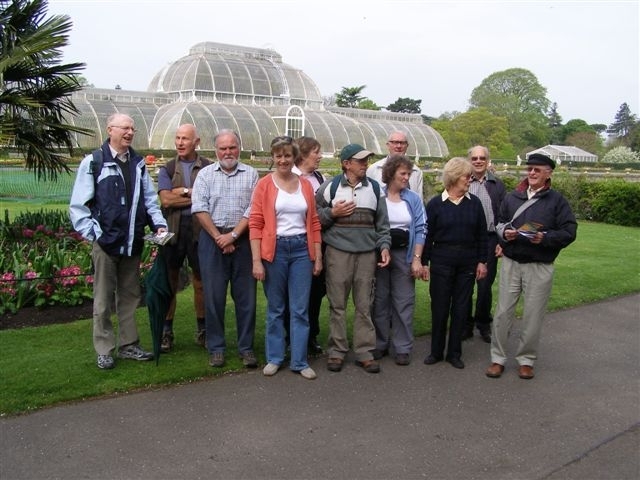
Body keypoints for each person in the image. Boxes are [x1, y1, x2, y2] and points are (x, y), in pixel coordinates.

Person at [70, 113, 167, 370]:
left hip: (132, 242)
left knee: (130, 297)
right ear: (110, 129)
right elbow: (79, 206)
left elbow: (149, 200)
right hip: (106, 244)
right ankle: (104, 349)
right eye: (124, 128)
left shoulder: (138, 163)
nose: (129, 132)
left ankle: (129, 345)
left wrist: (159, 223)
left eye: (132, 128)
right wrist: (95, 235)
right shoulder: (94, 162)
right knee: (102, 300)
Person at [485, 153, 577, 380]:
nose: (532, 173)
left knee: (533, 315)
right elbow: (499, 223)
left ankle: (526, 360)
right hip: (512, 261)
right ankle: (498, 358)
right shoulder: (513, 196)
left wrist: (544, 238)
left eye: (538, 169)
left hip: (539, 265)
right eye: (530, 169)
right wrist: (504, 233)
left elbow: (569, 231)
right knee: (502, 312)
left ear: (549, 173)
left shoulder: (557, 201)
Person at [249, 136, 323, 380]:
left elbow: (313, 221)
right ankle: (275, 357)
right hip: (275, 251)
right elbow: (256, 223)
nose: (283, 160)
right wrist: (257, 260)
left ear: (294, 158)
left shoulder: (304, 185)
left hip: (302, 250)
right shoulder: (264, 185)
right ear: (273, 157)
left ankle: (300, 361)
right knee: (276, 308)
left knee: (300, 309)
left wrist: (318, 255)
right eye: (278, 156)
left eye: (287, 156)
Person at [316, 144, 391, 374]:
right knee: (337, 305)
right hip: (338, 253)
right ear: (346, 163)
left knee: (364, 305)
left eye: (366, 160)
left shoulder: (376, 189)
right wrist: (332, 213)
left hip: (367, 254)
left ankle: (364, 352)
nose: (365, 164)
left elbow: (383, 224)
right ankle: (337, 351)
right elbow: (313, 218)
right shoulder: (329, 188)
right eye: (360, 161)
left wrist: (385, 246)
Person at [191, 129, 259, 369]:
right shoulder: (206, 175)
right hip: (213, 241)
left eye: (232, 147)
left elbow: (254, 209)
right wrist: (220, 237)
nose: (228, 152)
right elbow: (199, 207)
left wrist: (233, 236)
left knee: (246, 299)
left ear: (238, 148)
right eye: (223, 148)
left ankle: (246, 348)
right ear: (215, 150)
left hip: (242, 242)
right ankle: (216, 347)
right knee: (213, 297)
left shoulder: (251, 174)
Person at [422, 157, 488, 370]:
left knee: (461, 308)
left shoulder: (474, 204)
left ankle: (454, 353)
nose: (469, 180)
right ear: (453, 177)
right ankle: (435, 351)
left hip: (467, 263)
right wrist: (424, 263)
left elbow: (482, 236)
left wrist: (482, 261)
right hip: (441, 262)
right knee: (440, 308)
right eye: (466, 176)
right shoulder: (435, 204)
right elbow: (427, 235)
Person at [157, 124, 211, 352]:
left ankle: (203, 330)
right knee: (170, 283)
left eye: (185, 139)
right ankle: (166, 333)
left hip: (200, 231)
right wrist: (196, 195)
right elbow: (166, 201)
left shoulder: (209, 167)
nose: (180, 143)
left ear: (196, 141)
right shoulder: (167, 168)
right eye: (177, 138)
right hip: (173, 232)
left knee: (201, 282)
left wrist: (182, 192)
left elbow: (211, 197)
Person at [372, 155, 426, 366]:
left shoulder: (412, 198)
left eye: (408, 174)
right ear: (391, 173)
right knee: (380, 300)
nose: (407, 177)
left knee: (404, 301)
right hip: (380, 255)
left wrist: (417, 259)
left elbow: (421, 229)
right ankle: (380, 342)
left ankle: (402, 347)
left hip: (405, 254)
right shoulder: (378, 196)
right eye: (403, 173)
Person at [281, 136, 327, 355]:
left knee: (316, 293)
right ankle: (290, 338)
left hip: (318, 241)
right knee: (294, 295)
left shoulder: (319, 178)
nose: (319, 156)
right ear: (303, 155)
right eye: (316, 152)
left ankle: (311, 336)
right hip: (295, 242)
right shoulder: (292, 178)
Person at [462, 146, 506, 343]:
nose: (478, 161)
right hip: (466, 239)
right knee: (465, 284)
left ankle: (483, 323)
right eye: (474, 158)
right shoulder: (462, 181)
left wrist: (501, 242)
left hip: (489, 239)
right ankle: (465, 324)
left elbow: (505, 216)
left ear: (488, 161)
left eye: (482, 158)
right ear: (469, 160)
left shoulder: (496, 184)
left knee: (484, 285)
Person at [367, 131, 424, 199]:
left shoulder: (416, 171)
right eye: (395, 142)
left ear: (407, 146)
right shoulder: (374, 169)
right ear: (388, 145)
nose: (399, 146)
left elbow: (419, 199)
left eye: (402, 143)